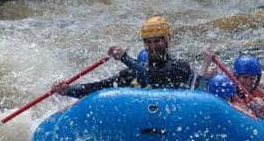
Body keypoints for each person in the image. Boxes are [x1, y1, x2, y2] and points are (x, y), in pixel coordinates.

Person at [52, 15, 192, 98]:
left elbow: (155, 77)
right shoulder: (133, 73)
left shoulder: (180, 66)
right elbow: (99, 87)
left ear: (168, 39)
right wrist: (68, 90)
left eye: (158, 41)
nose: (153, 47)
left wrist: (125, 58)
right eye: (148, 42)